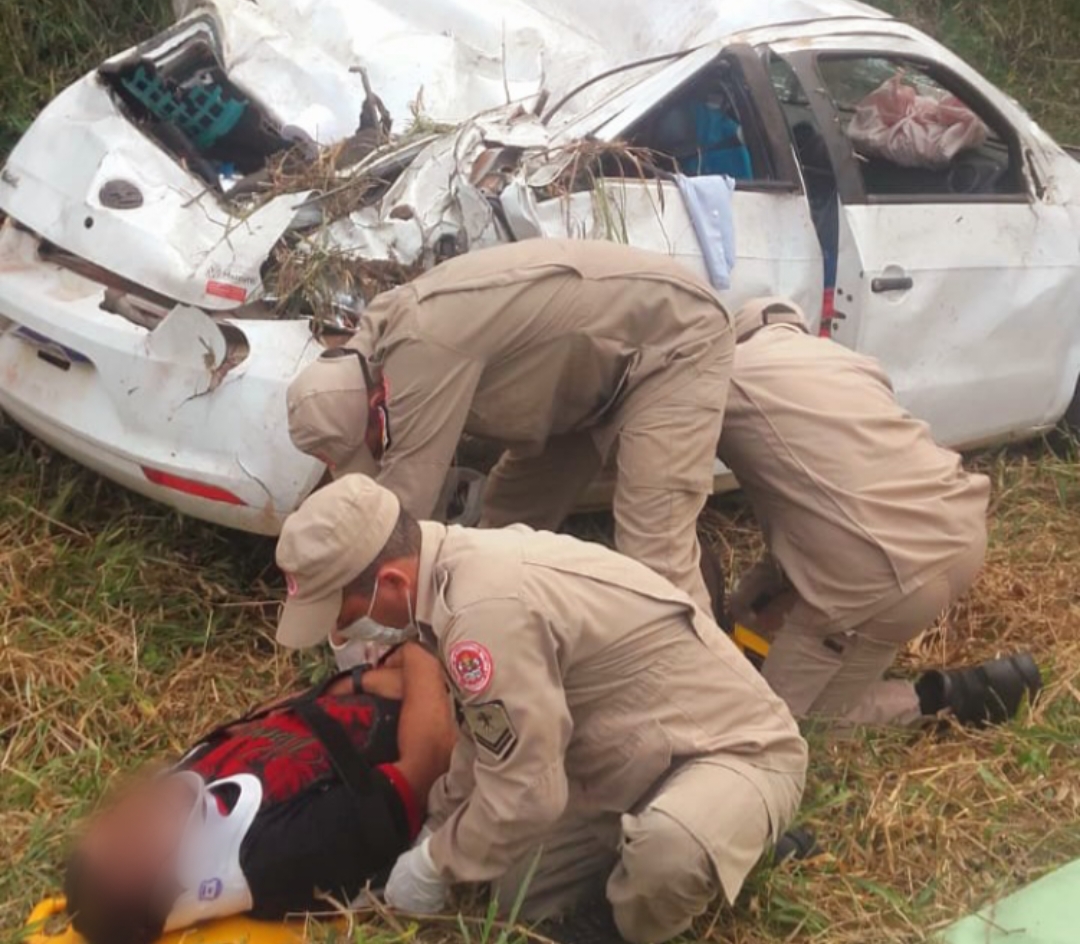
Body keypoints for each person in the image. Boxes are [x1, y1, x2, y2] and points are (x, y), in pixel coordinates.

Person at [273, 474, 808, 944]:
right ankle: (708, 836)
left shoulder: (484, 610)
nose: (343, 632)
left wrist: (437, 863)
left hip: (735, 749)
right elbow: (489, 739)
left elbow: (527, 787)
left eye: (343, 612)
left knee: (665, 857)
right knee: (519, 897)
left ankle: (707, 850)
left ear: (391, 581)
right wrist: (437, 829)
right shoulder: (445, 586)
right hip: (622, 756)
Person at [285, 238, 734, 615]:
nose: (376, 449)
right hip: (583, 379)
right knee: (501, 532)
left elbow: (401, 517)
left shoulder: (423, 346)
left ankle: (714, 710)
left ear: (375, 402)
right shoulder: (362, 352)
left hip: (671, 340)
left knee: (653, 556)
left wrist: (351, 616)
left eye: (371, 441)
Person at [718, 297, 1041, 727]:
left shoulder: (728, 378)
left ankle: (945, 699)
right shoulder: (847, 362)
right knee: (754, 609)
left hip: (882, 574)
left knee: (780, 727)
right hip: (958, 527)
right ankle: (839, 656)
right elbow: (837, 499)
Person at [63, 644, 456, 944]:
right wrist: (417, 652)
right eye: (131, 842)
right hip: (454, 704)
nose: (132, 807)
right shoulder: (277, 853)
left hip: (392, 680)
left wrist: (360, 681)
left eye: (116, 819)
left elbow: (272, 718)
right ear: (169, 891)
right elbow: (432, 756)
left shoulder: (185, 789)